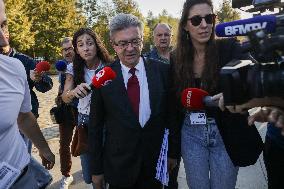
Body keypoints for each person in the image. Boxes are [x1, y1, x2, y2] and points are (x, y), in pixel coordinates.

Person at [170, 0, 263, 188]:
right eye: (196, 20)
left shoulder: (230, 48)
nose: (204, 25)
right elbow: (172, 104)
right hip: (191, 133)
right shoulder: (176, 57)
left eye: (209, 18)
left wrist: (234, 93)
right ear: (185, 26)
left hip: (225, 131)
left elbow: (253, 78)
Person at [89, 13, 179, 189]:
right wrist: (96, 170)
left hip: (157, 165)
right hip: (119, 168)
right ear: (114, 46)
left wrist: (173, 153)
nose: (130, 48)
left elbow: (172, 116)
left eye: (135, 41)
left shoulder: (163, 71)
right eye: (123, 43)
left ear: (143, 41)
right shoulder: (102, 78)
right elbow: (95, 127)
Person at [0, 0, 55, 188]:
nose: (3, 38)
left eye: (3, 26)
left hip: (21, 166)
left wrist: (36, 78)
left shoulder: (21, 61)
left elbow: (46, 86)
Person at [62, 28, 113, 188]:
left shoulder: (110, 66)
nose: (86, 48)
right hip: (86, 123)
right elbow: (64, 96)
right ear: (76, 49)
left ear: (97, 45)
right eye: (81, 45)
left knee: (110, 170)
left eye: (89, 43)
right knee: (92, 175)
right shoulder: (73, 69)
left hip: (110, 121)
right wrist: (73, 92)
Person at [56, 37, 78, 189]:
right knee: (64, 144)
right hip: (65, 111)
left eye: (70, 48)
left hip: (82, 110)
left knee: (85, 143)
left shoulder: (83, 63)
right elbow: (62, 88)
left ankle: (94, 172)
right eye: (65, 49)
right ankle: (66, 175)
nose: (68, 51)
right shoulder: (61, 67)